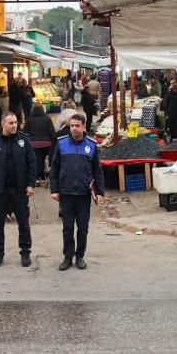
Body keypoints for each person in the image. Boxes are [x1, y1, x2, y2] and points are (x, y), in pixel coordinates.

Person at [50, 114, 106, 270]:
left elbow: (97, 171)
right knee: (67, 227)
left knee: (83, 228)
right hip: (66, 194)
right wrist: (54, 190)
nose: (74, 128)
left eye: (77, 126)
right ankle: (68, 257)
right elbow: (54, 168)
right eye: (71, 126)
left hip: (83, 194)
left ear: (84, 126)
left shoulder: (91, 145)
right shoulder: (61, 144)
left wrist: (100, 191)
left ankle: (80, 256)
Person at [0, 112, 37, 268]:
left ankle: (25, 252)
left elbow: (32, 163)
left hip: (20, 191)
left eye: (16, 122)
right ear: (2, 124)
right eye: (11, 123)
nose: (14, 125)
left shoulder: (24, 140)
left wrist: (30, 184)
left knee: (24, 224)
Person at [24, 103, 57, 177]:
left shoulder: (29, 119)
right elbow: (52, 132)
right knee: (43, 159)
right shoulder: (47, 118)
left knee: (37, 160)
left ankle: (38, 176)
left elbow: (24, 132)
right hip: (46, 143)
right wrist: (53, 143)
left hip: (33, 144)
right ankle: (43, 174)